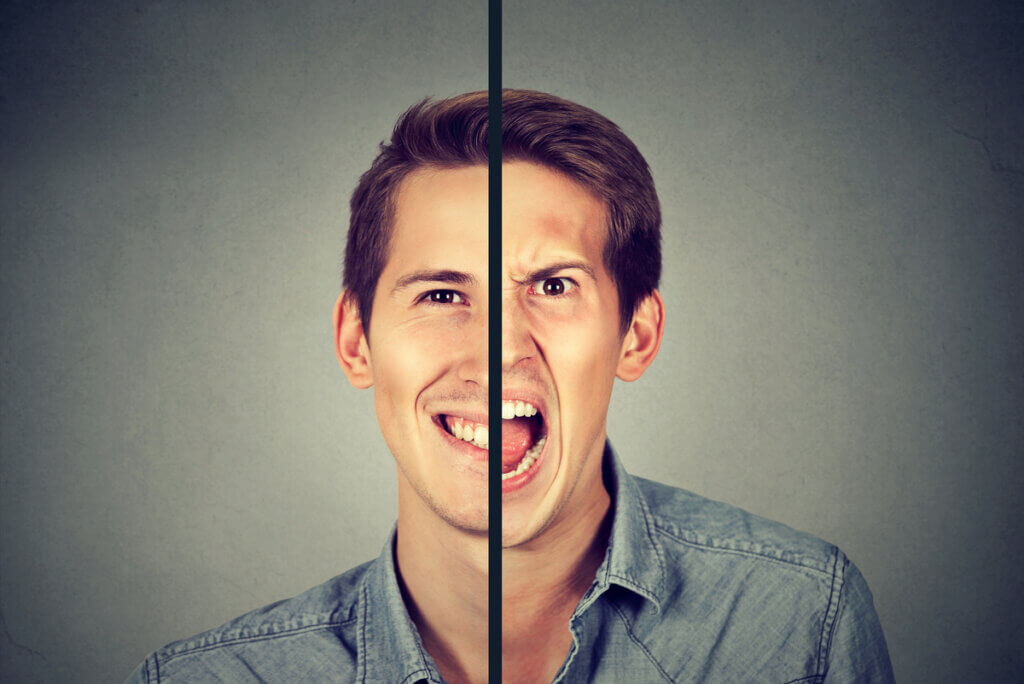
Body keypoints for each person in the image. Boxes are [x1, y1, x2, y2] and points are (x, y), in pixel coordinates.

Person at [127, 90, 894, 683]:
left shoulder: (801, 623)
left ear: (637, 334)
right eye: (441, 293)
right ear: (357, 341)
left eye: (553, 286)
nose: (497, 353)